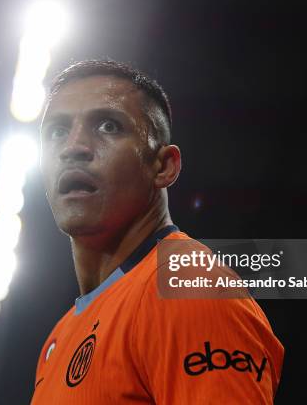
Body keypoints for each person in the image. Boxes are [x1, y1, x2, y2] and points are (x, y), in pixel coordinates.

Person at [31, 59, 284, 404]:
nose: (74, 147)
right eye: (57, 131)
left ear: (163, 166)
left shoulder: (187, 286)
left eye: (108, 126)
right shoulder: (58, 337)